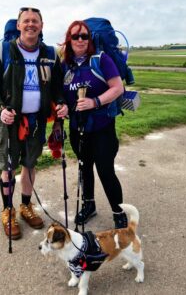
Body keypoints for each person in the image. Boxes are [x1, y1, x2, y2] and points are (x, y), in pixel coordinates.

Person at [0, 7, 68, 239]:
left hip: (36, 122)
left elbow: (57, 88)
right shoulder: (4, 50)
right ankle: (8, 210)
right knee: (8, 166)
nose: (31, 24)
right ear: (19, 25)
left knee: (30, 164)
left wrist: (61, 103)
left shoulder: (51, 54)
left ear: (41, 26)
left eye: (35, 21)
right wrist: (0, 109)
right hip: (10, 121)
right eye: (26, 21)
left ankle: (25, 206)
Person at [61, 20, 128, 229]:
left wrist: (95, 102)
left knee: (105, 170)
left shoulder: (101, 59)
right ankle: (89, 205)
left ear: (90, 39)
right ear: (69, 40)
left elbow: (118, 88)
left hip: (102, 127)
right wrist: (62, 106)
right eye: (75, 36)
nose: (80, 40)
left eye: (84, 36)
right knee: (84, 167)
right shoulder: (65, 66)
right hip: (77, 127)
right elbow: (59, 93)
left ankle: (119, 213)